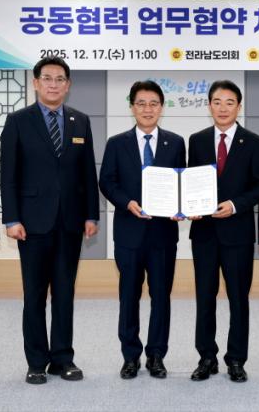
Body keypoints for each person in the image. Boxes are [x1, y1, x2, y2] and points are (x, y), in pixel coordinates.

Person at [0, 56, 99, 384]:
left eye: (60, 79)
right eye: (47, 78)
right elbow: (8, 175)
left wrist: (91, 214)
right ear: (36, 83)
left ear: (68, 85)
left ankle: (62, 358)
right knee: (34, 295)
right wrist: (11, 218)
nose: (53, 84)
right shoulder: (18, 121)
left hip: (70, 222)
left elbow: (87, 172)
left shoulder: (80, 121)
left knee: (65, 293)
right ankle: (36, 362)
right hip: (31, 224)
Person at [99, 80, 186, 380]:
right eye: (141, 103)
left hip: (163, 235)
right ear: (132, 107)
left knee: (161, 297)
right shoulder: (116, 143)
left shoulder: (175, 143)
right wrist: (127, 203)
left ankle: (157, 355)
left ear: (162, 107)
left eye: (153, 104)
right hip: (129, 233)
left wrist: (181, 206)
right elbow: (107, 181)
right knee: (129, 297)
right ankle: (130, 356)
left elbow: (182, 181)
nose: (147, 109)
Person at [187, 80, 259, 383]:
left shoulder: (255, 142)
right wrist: (188, 205)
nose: (223, 108)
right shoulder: (197, 140)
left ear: (239, 106)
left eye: (229, 102)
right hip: (204, 233)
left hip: (237, 233)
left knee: (238, 299)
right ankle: (206, 357)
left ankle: (236, 359)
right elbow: (191, 180)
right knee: (204, 298)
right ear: (209, 105)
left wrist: (235, 205)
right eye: (217, 102)